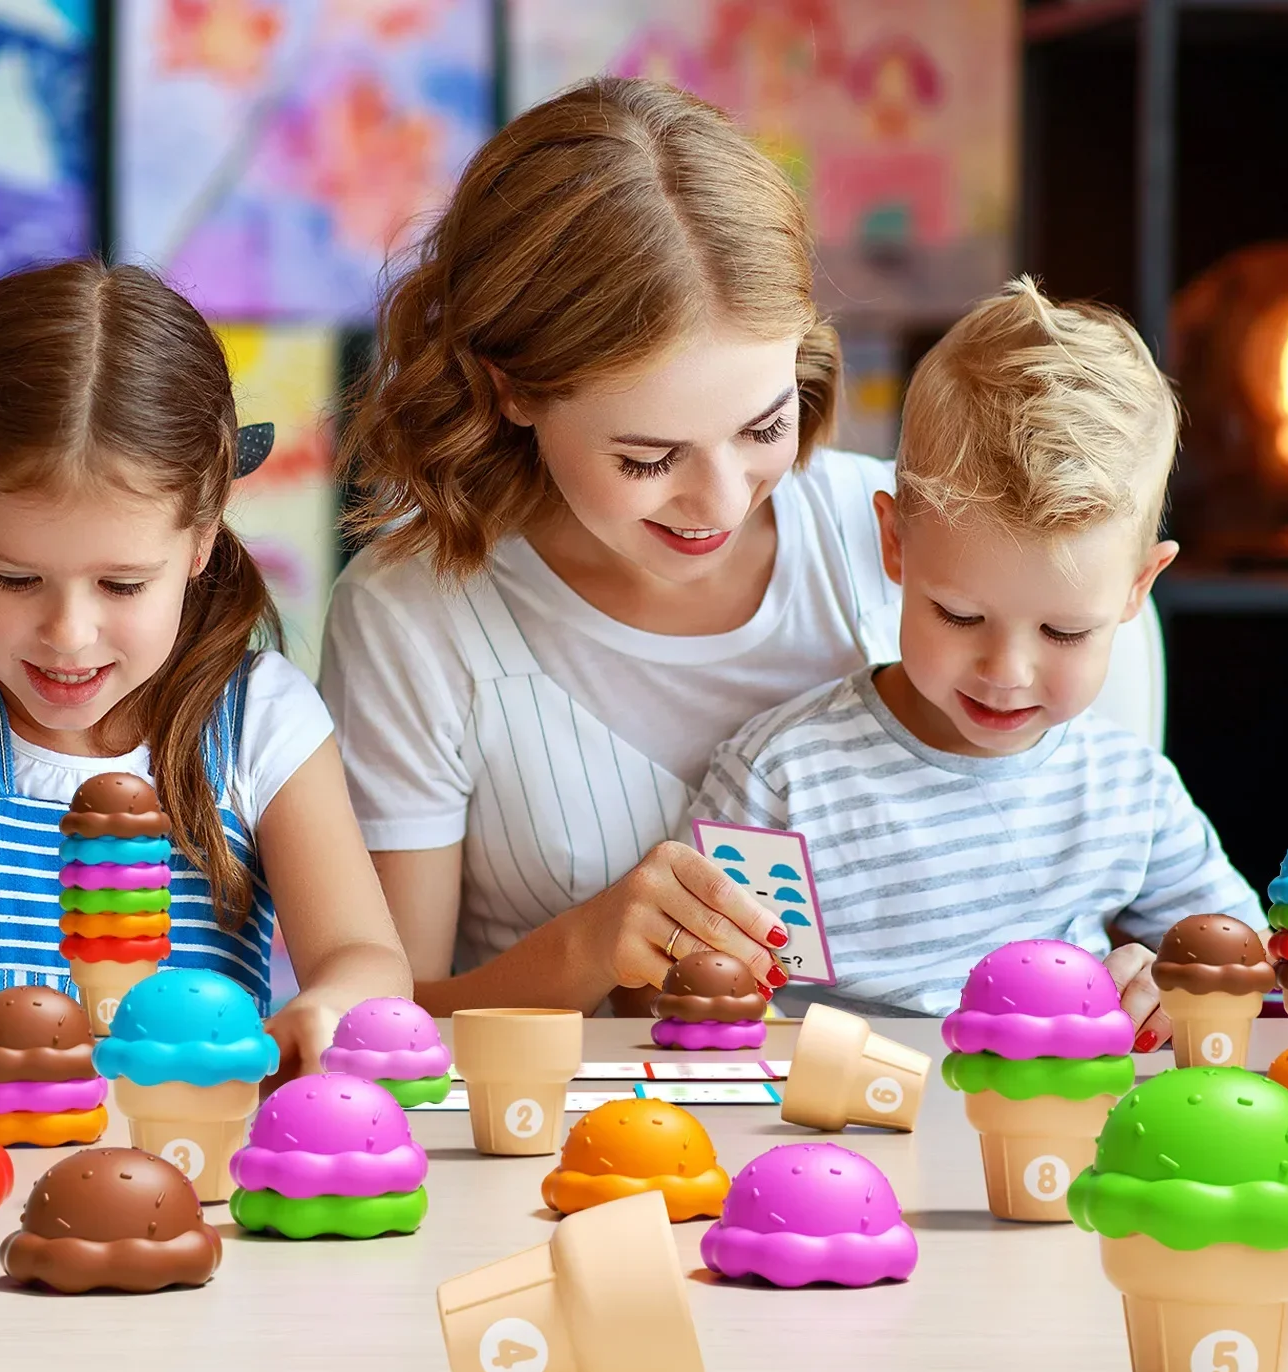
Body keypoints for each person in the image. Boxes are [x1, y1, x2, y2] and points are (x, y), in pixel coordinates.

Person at [321, 75, 926, 1017]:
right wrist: (586, 950)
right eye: (649, 457)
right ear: (513, 390)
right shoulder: (415, 618)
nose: (720, 502)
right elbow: (377, 1029)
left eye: (764, 428)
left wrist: (1124, 961)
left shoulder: (896, 539)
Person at [0, 260, 409, 1072]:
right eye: (16, 579)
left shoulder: (260, 722)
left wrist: (332, 1007)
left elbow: (368, 962)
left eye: (122, 584)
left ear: (201, 537)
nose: (67, 632)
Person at [691, 278, 1263, 1041]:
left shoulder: (1129, 792)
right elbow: (700, 999)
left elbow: (1247, 960)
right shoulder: (782, 778)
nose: (1007, 671)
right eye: (959, 615)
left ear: (1136, 589)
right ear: (895, 545)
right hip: (845, 1136)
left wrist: (1171, 979)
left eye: (1063, 632)